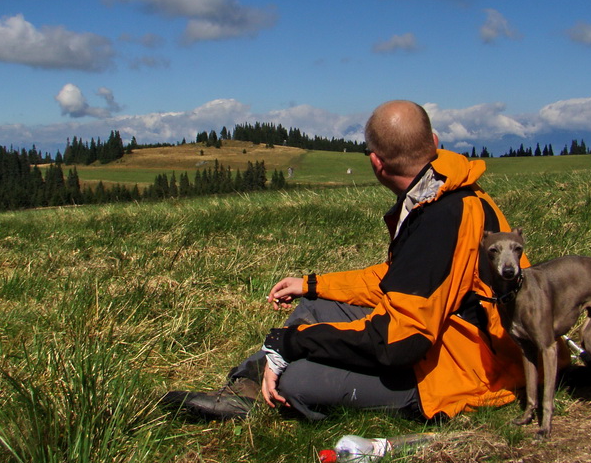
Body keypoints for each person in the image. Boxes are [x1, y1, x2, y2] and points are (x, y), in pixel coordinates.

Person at [161, 100, 526, 421]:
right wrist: (313, 285)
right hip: (449, 338)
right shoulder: (446, 191)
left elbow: (399, 342)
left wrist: (292, 343)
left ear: (375, 162)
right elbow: (398, 281)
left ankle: (276, 375)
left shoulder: (440, 219)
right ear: (434, 142)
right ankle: (245, 390)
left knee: (298, 379)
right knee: (315, 307)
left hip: (469, 367)